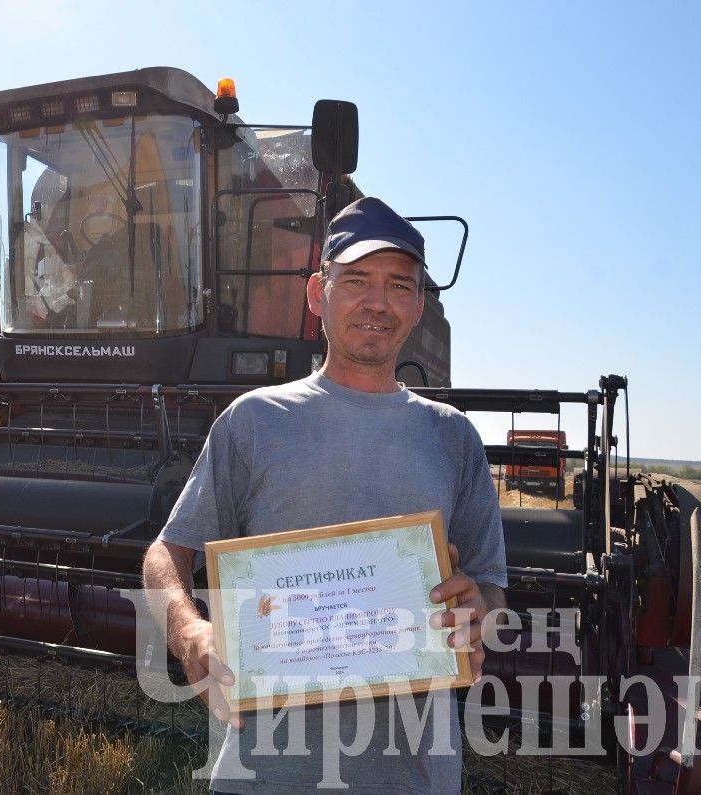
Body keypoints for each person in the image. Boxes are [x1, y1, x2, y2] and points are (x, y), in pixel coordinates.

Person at [141, 196, 507, 793]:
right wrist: (189, 631)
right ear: (319, 294)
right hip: (265, 774)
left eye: (398, 285)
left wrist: (479, 611)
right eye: (356, 280)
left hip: (412, 775)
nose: (377, 302)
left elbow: (491, 587)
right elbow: (166, 554)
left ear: (418, 306)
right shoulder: (253, 422)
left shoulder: (453, 437)